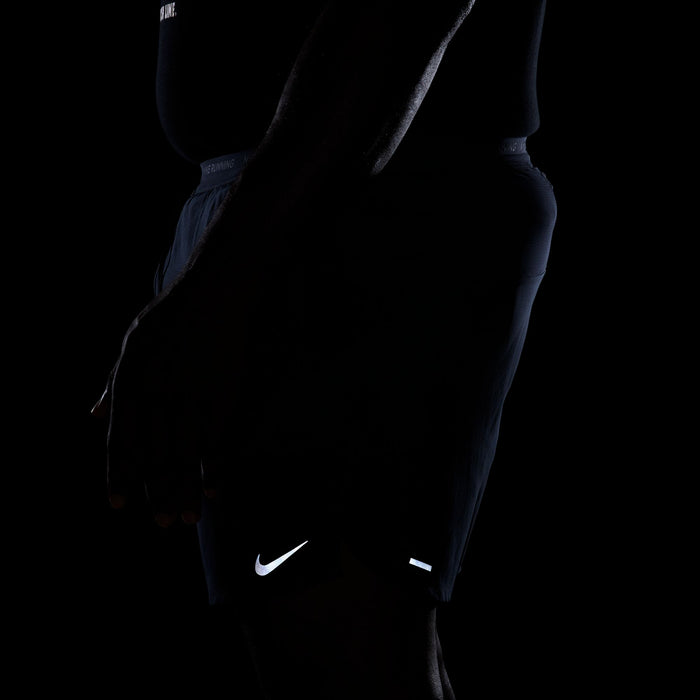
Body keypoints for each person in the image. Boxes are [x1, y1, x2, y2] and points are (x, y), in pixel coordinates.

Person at [93, 0, 557, 697]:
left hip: (353, 197)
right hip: (281, 199)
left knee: (345, 640)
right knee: (317, 641)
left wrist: (217, 284)